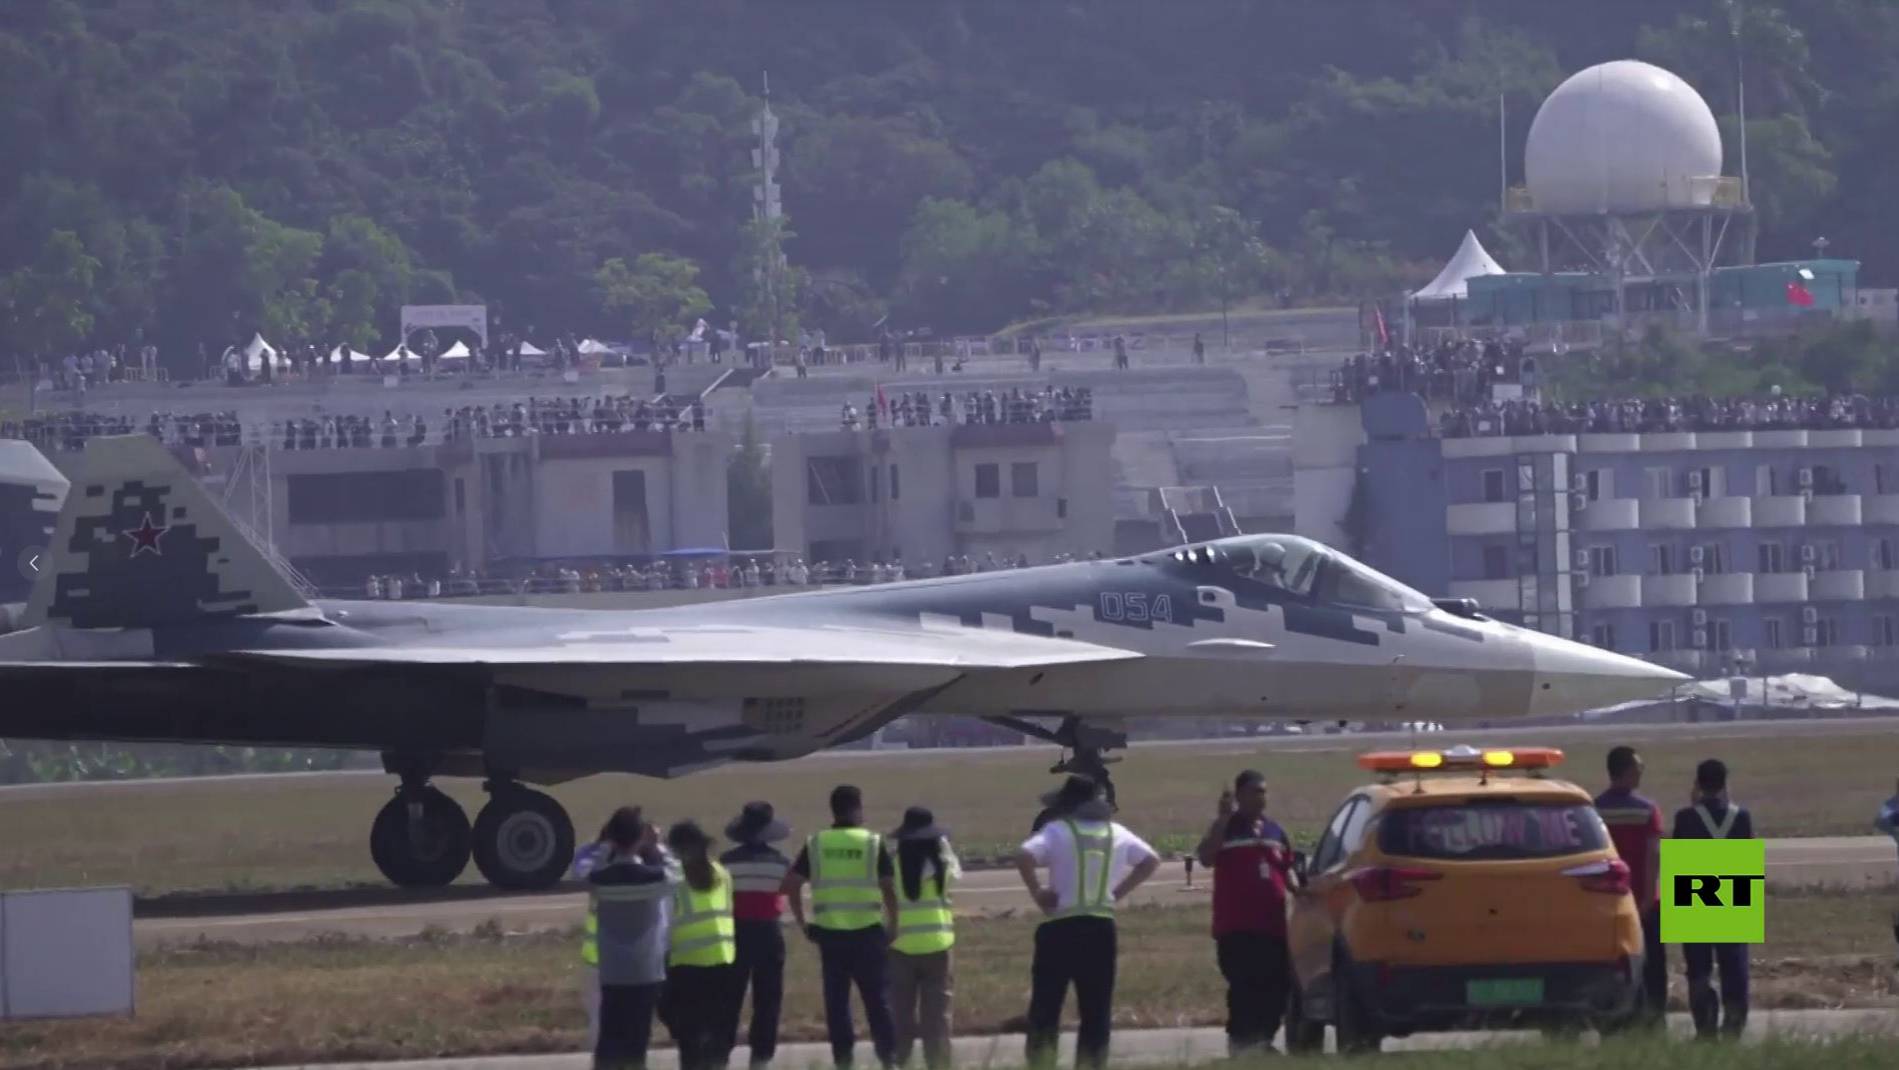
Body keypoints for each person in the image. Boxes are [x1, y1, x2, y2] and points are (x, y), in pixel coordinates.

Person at [1015, 776, 1160, 1070]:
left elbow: (1024, 854)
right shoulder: (1116, 832)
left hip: (1061, 928)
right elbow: (1151, 860)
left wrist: (1038, 892)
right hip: (1101, 927)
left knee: (1046, 1007)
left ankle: (1041, 1063)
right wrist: (1116, 893)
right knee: (1096, 1011)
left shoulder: (1057, 830)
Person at [781, 785, 899, 1070]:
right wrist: (893, 923)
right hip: (868, 933)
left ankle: (843, 1062)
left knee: (837, 1006)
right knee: (878, 1002)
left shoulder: (817, 843)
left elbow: (791, 885)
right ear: (857, 808)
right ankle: (889, 1060)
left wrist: (802, 922)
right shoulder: (872, 842)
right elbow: (888, 888)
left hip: (830, 936)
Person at [1193, 770, 1295, 1058]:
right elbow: (1206, 857)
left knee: (1278, 985)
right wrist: (1223, 819)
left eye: (1263, 791)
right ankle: (1240, 1044)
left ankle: (1262, 1041)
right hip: (1236, 926)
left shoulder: (1276, 831)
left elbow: (1287, 873)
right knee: (1245, 986)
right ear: (1238, 796)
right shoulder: (1226, 828)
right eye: (1253, 792)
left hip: (1273, 925)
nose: (1260, 798)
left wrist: (1306, 893)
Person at [586, 807, 676, 1070]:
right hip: (646, 971)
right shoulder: (656, 879)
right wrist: (658, 846)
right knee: (637, 1039)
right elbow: (676, 873)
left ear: (613, 839)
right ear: (640, 839)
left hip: (613, 971)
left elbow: (591, 868)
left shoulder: (600, 881)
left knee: (610, 1037)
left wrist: (606, 848)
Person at [1671, 759, 1755, 1040]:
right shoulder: (1741, 816)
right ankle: (1734, 1025)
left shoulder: (1685, 817)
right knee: (1734, 965)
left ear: (1698, 783)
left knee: (1698, 966)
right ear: (1724, 783)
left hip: (1693, 891)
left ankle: (1704, 1027)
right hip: (1733, 889)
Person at [659, 821, 740, 1070]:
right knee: (717, 1036)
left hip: (686, 966)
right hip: (723, 962)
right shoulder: (722, 873)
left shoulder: (674, 880)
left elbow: (665, 925)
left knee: (690, 1041)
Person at [1594, 745, 1667, 1025]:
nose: (1641, 772)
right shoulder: (1647, 810)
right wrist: (1648, 899)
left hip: (1609, 903)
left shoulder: (1595, 810)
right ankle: (1654, 1019)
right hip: (1645, 901)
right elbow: (1653, 856)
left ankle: (1616, 1020)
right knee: (1652, 968)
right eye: (1639, 767)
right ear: (1625, 771)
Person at [722, 802, 794, 1070]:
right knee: (768, 998)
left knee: (729, 996)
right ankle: (761, 1057)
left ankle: (721, 1052)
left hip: (736, 931)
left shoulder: (726, 863)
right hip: (768, 932)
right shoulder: (781, 863)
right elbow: (785, 892)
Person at [888, 807, 960, 1070]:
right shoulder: (943, 866)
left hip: (900, 946)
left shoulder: (893, 865)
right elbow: (954, 866)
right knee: (937, 1022)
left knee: (900, 1020)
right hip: (938, 946)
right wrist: (939, 841)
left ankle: (898, 1064)